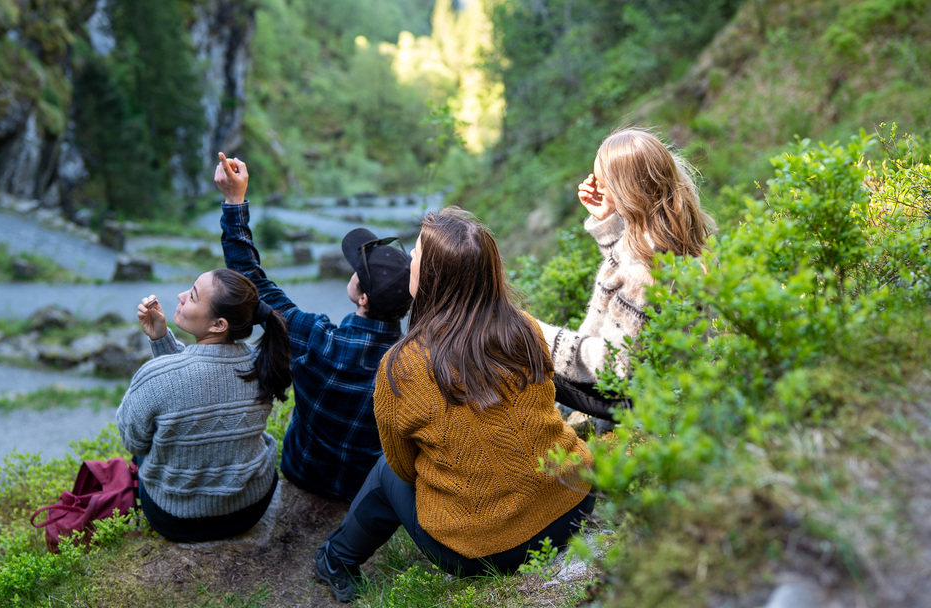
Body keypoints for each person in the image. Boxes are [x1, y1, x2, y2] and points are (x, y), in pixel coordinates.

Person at [313, 207, 595, 602]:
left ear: (430, 279)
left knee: (384, 472)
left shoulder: (403, 366)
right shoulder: (524, 327)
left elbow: (401, 465)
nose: (408, 259)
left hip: (482, 553)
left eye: (415, 253)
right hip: (574, 503)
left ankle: (335, 558)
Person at [214, 153, 413, 502]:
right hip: (360, 490)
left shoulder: (314, 339)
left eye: (358, 270)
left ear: (363, 297)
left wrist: (234, 202)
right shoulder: (413, 368)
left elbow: (250, 280)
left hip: (302, 471)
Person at [540, 127, 715, 427]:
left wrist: (539, 337)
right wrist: (608, 221)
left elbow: (612, 365)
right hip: (665, 381)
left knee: (520, 347)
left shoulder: (641, 273)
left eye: (603, 184)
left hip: (640, 399)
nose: (596, 187)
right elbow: (621, 291)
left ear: (627, 192)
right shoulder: (674, 234)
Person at [116, 268, 293, 543]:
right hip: (250, 507)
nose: (180, 295)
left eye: (193, 296)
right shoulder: (263, 364)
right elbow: (193, 384)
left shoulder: (156, 377)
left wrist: (161, 356)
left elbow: (135, 443)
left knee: (144, 450)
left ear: (219, 325)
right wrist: (161, 340)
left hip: (176, 520)